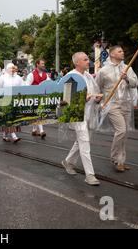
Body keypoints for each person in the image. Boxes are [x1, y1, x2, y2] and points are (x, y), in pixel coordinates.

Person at [96, 46, 138, 172]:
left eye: (122, 50)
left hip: (125, 103)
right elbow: (97, 87)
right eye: (120, 51)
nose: (123, 52)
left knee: (124, 134)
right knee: (121, 130)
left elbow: (135, 83)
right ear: (112, 54)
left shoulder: (127, 68)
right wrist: (100, 101)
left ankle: (121, 161)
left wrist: (126, 78)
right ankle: (115, 157)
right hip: (112, 104)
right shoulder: (103, 71)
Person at [61, 52, 101, 186]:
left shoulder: (89, 76)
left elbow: (93, 93)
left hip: (89, 114)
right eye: (85, 59)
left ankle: (67, 162)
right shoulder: (70, 76)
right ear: (77, 62)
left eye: (88, 59)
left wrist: (97, 98)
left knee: (81, 141)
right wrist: (82, 98)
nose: (88, 61)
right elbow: (66, 99)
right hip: (77, 115)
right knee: (84, 143)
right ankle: (90, 175)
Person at [0, 63, 24, 142]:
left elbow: (23, 87)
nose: (12, 70)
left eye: (13, 68)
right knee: (8, 118)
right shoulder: (2, 78)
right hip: (5, 100)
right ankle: (14, 136)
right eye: (10, 68)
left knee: (13, 118)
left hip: (15, 101)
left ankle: (4, 135)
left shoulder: (18, 78)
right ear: (7, 69)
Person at [26, 59, 49, 139]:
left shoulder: (46, 75)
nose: (43, 65)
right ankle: (42, 131)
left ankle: (34, 130)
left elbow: (49, 84)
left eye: (44, 63)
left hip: (42, 97)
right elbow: (26, 87)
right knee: (38, 113)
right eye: (42, 64)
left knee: (37, 114)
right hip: (33, 98)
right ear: (37, 64)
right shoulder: (31, 75)